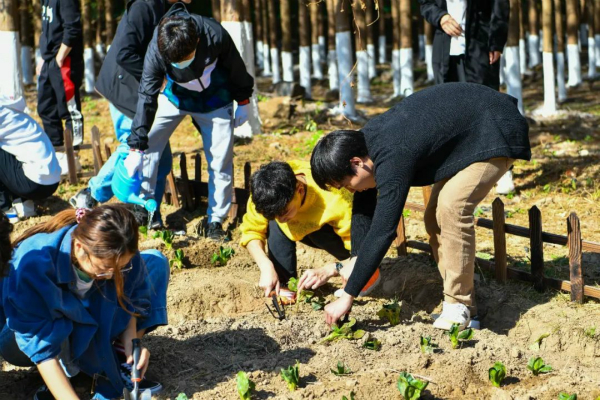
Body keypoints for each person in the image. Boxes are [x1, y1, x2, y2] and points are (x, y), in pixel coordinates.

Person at [309, 83, 530, 330]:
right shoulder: (364, 145)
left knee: (452, 208)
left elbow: (384, 230)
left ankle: (459, 304)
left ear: (357, 163)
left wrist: (348, 295)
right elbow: (363, 207)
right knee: (434, 218)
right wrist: (356, 265)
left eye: (345, 183)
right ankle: (467, 310)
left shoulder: (392, 155)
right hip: (469, 134)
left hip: (495, 127)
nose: (349, 190)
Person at [0, 204, 169, 400]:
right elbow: (42, 348)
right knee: (63, 316)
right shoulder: (35, 265)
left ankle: (116, 357)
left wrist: (132, 344)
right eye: (104, 269)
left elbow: (129, 298)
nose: (111, 277)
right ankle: (66, 376)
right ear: (80, 248)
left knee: (155, 262)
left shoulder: (120, 250)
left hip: (84, 323)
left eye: (119, 269)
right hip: (20, 336)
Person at [126, 2, 254, 240]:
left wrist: (244, 101)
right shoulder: (158, 47)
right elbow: (146, 95)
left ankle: (215, 220)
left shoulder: (214, 34)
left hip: (216, 100)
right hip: (175, 98)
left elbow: (236, 66)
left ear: (196, 42)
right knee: (149, 149)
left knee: (220, 160)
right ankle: (145, 209)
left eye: (185, 59)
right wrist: (137, 144)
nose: (181, 63)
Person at [70, 0, 192, 229]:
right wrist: (160, 79)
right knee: (132, 147)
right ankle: (91, 193)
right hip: (123, 87)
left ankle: (149, 213)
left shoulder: (169, 8)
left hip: (140, 90)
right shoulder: (144, 6)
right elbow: (125, 54)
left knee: (161, 157)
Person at [239, 161, 380, 300]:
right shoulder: (265, 192)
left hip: (333, 235)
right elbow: (251, 232)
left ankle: (361, 277)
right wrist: (265, 265)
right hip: (298, 227)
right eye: (274, 214)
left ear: (299, 190)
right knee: (275, 222)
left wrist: (331, 269)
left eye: (285, 211)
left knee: (360, 265)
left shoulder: (335, 200)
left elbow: (364, 253)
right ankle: (284, 286)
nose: (280, 218)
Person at [419, 0, 515, 194]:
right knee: (448, 110)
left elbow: (500, 6)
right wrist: (441, 17)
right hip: (445, 49)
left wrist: (496, 41)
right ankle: (459, 169)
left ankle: (503, 170)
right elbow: (425, 4)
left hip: (480, 46)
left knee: (487, 107)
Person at [37, 0, 84, 174]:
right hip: (49, 60)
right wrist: (44, 57)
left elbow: (72, 28)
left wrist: (59, 57)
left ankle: (74, 157)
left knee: (69, 109)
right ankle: (57, 153)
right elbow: (47, 29)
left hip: (65, 59)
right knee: (46, 107)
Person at [0, 104, 60, 223]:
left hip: (32, 183)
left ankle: (4, 209)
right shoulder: (10, 110)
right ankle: (25, 204)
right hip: (51, 182)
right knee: (11, 148)